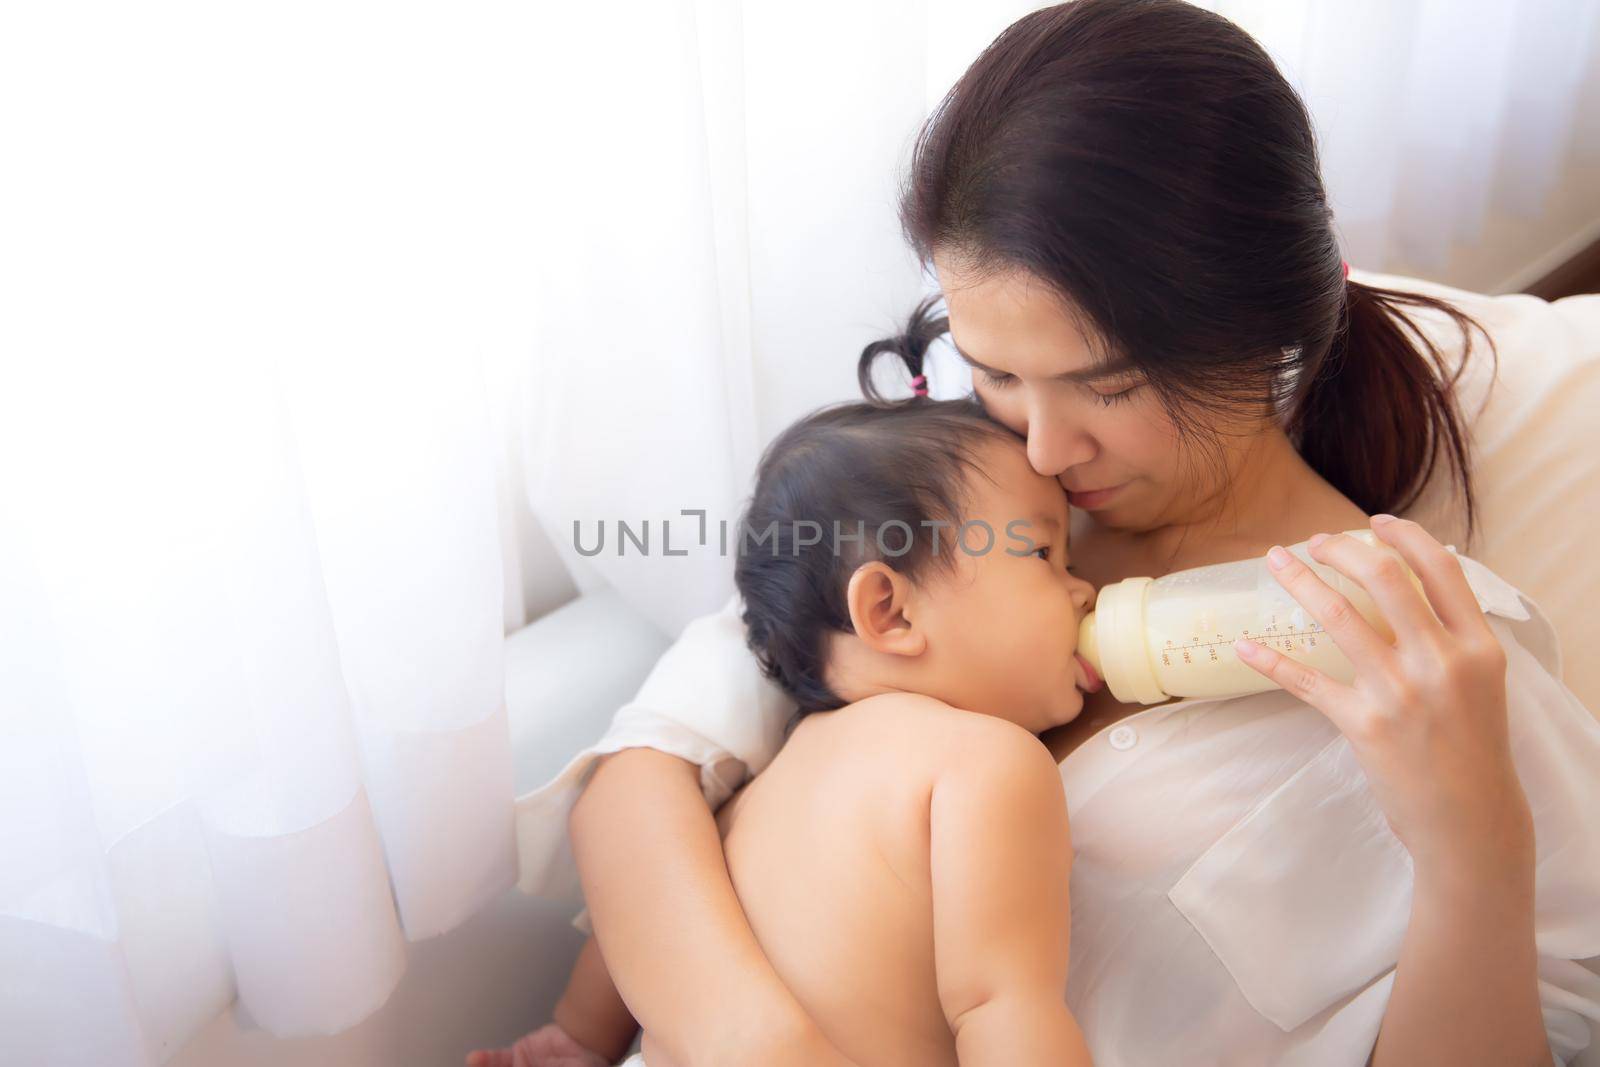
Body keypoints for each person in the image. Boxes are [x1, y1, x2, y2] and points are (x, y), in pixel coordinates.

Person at [499, 2, 1600, 1064]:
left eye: (1106, 386)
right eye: (996, 369)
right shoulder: (943, 500)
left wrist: (1473, 855)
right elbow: (644, 786)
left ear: (1264, 336)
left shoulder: (1432, 653)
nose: (1043, 448)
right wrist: (768, 1047)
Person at [476, 397, 1104, 1066]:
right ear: (888, 610)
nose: (1084, 590)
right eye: (1044, 553)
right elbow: (1003, 1008)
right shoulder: (985, 765)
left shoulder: (758, 782)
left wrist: (577, 1036)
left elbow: (633, 931)